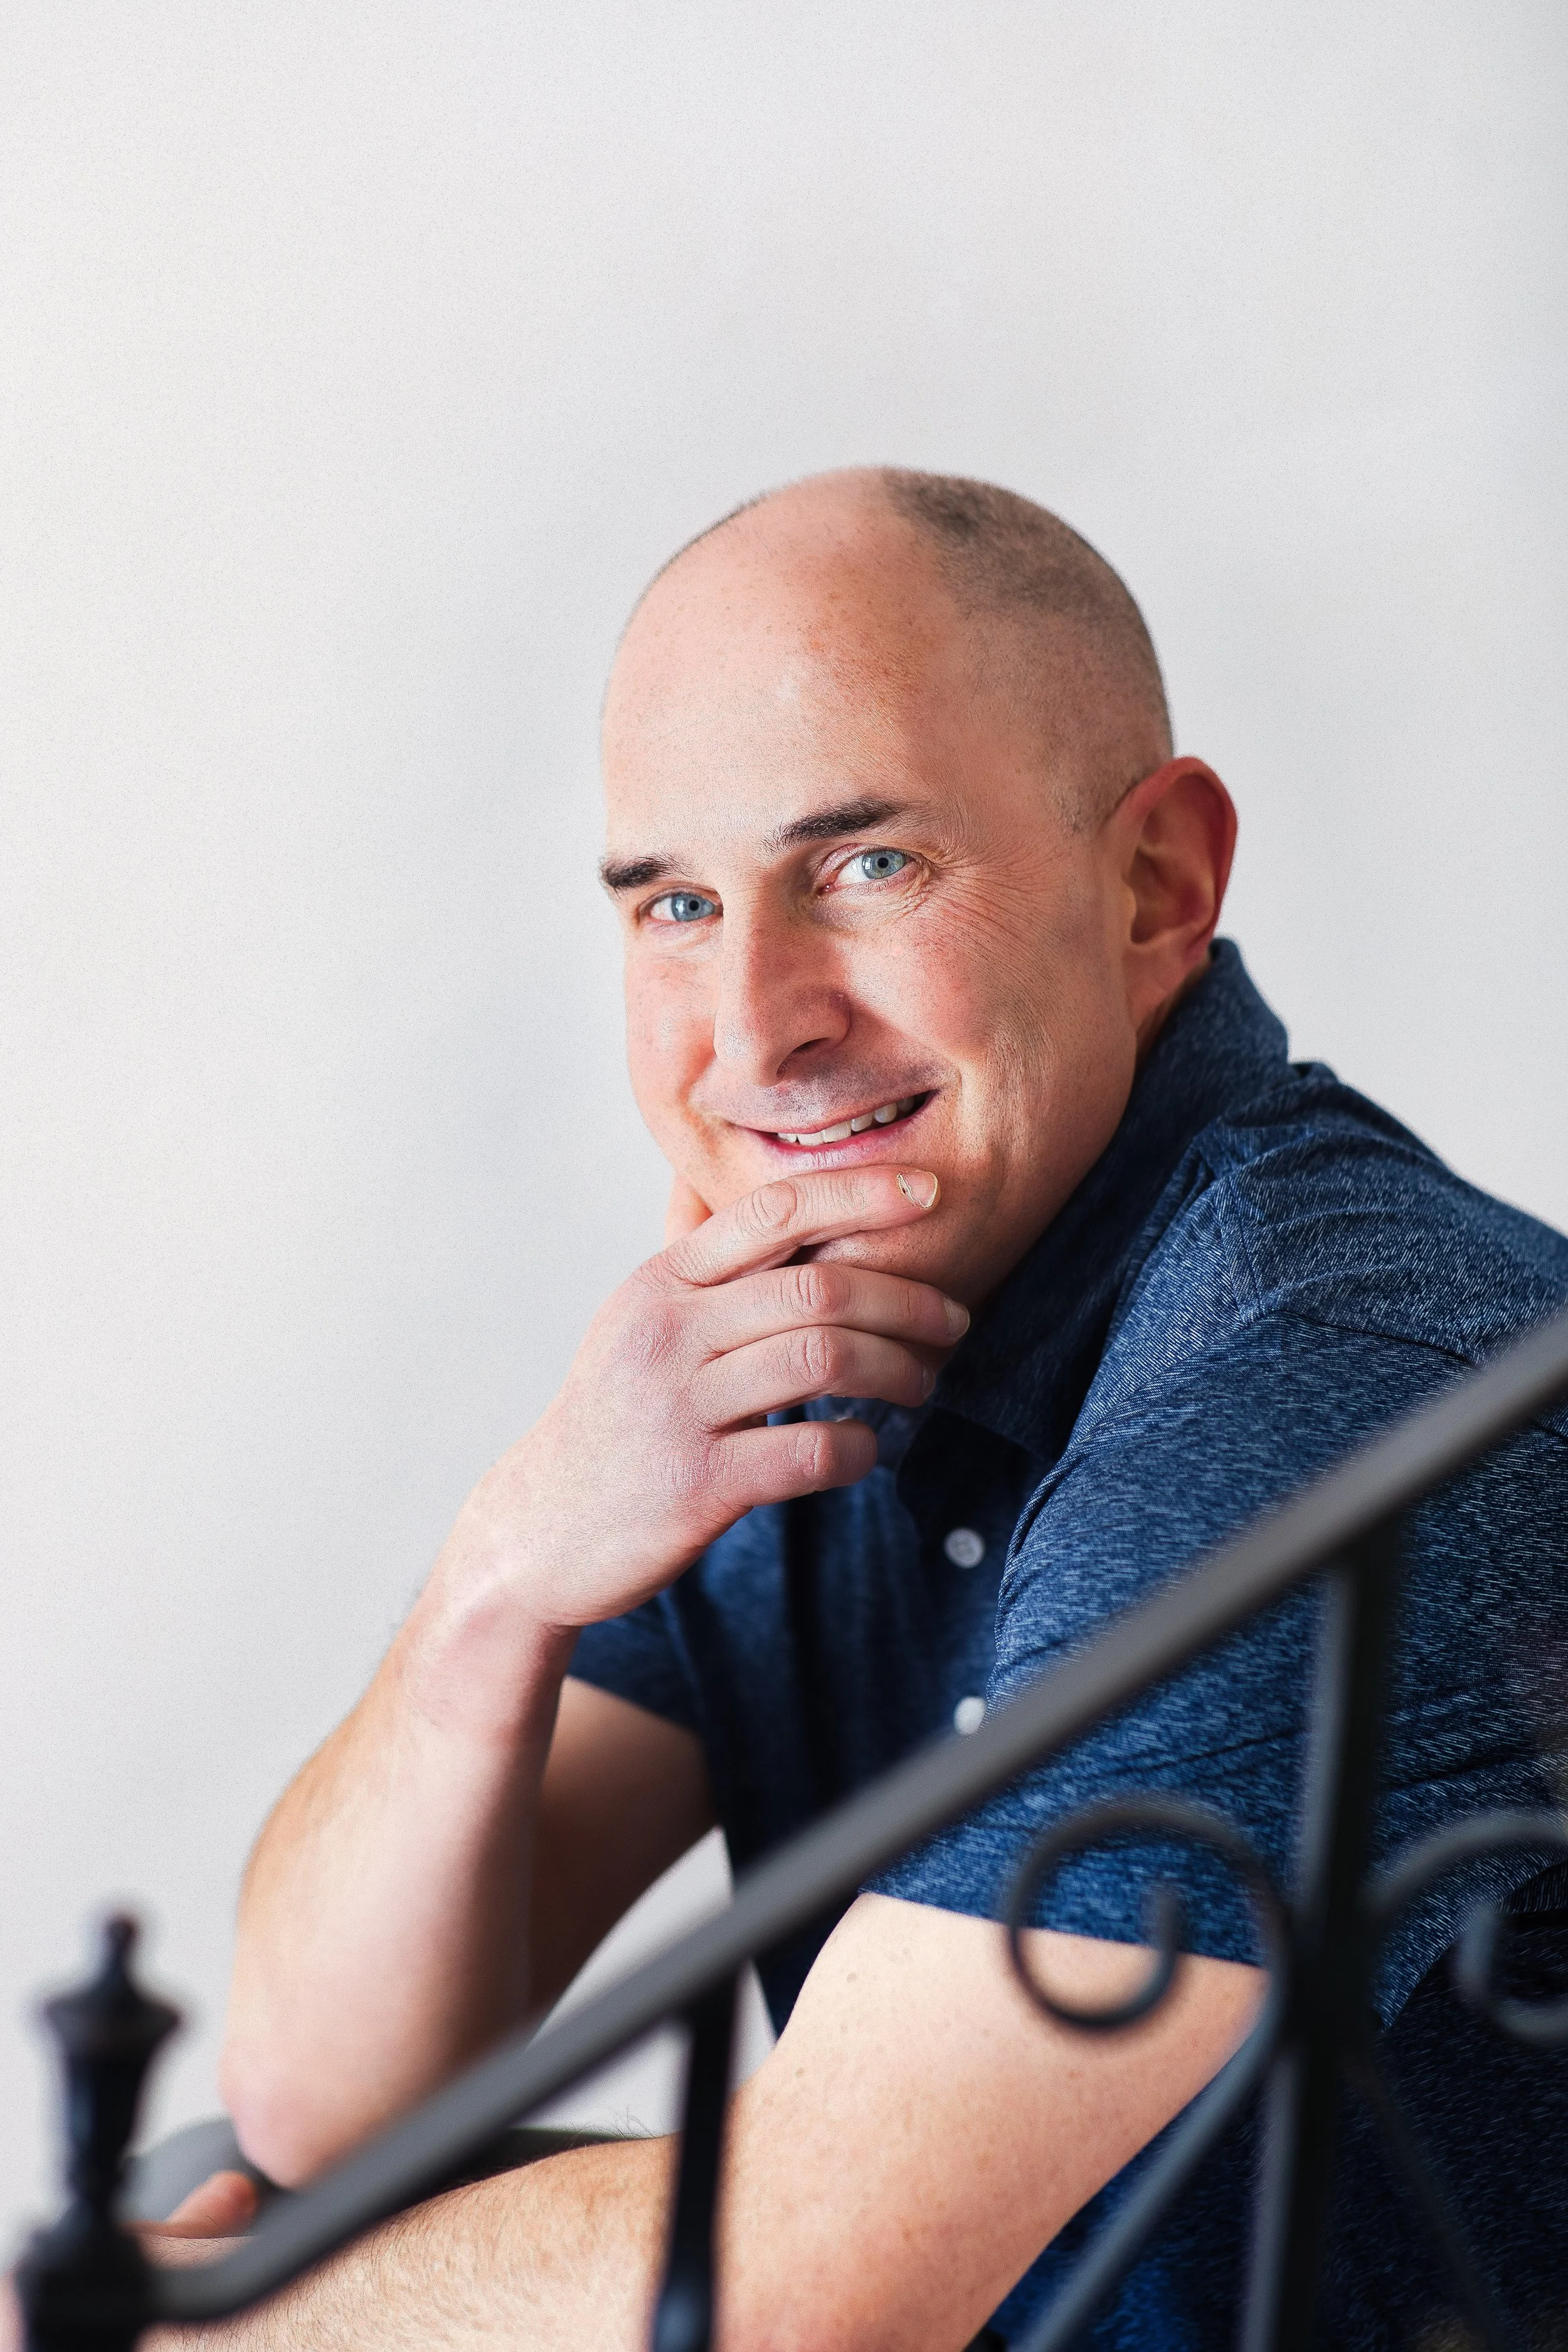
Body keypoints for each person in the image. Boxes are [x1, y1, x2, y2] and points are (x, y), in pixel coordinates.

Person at [120, 474, 1568, 2344]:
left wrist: (182, 2319)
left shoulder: (1330, 1375)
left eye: (866, 865)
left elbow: (809, 2281)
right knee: (199, 2177)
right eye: (675, 901)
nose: (751, 1025)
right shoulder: (825, 1311)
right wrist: (505, 1567)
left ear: (1154, 886)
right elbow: (331, 2099)